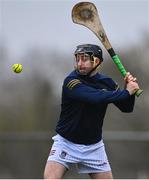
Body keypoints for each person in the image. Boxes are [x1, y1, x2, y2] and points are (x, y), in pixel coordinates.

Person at [44, 44, 139, 179]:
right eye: (78, 59)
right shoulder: (71, 81)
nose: (80, 63)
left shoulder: (107, 83)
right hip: (66, 143)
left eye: (84, 59)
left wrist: (129, 91)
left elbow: (127, 108)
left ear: (97, 61)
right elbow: (94, 98)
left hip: (94, 147)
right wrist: (126, 92)